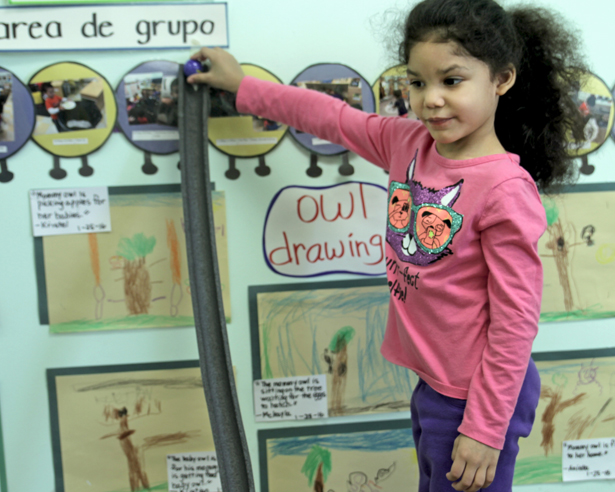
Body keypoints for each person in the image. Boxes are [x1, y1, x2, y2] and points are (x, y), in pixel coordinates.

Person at [188, 0, 586, 490]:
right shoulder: (408, 144)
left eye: (452, 80)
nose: (431, 100)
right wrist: (242, 87)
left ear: (501, 79)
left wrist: (485, 429)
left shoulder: (505, 190)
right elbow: (332, 118)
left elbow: (515, 324)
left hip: (477, 399)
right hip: (434, 386)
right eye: (418, 82)